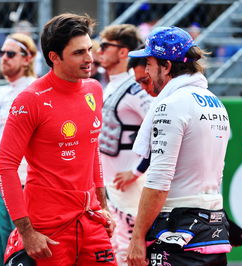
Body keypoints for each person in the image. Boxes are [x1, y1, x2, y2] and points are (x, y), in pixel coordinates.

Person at [0, 13, 116, 265]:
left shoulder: (94, 88)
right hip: (47, 228)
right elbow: (5, 167)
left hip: (91, 219)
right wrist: (26, 233)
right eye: (78, 53)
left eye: (89, 49)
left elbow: (91, 149)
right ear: (54, 57)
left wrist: (103, 206)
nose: (89, 58)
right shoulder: (30, 99)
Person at [127, 26, 231, 266]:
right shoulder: (215, 102)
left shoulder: (171, 105)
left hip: (178, 231)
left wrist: (137, 238)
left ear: (167, 66)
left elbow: (159, 181)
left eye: (150, 63)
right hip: (213, 228)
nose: (147, 71)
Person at [97, 24, 152, 266]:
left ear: (123, 52)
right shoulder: (109, 84)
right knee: (116, 246)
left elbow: (159, 130)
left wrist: (138, 170)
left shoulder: (135, 87)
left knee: (131, 247)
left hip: (130, 183)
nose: (99, 51)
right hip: (111, 183)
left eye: (105, 46)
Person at [0, 32, 37, 266]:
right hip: (1, 179)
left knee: (21, 248)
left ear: (28, 58)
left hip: (26, 183)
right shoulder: (1, 92)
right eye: (2, 53)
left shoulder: (34, 90)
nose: (4, 58)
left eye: (10, 53)